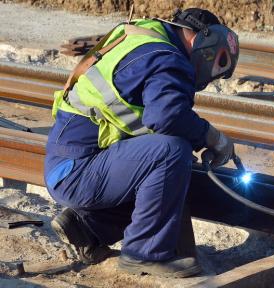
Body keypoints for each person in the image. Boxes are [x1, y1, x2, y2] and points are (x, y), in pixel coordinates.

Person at [44, 8, 239, 278]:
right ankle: (143, 254)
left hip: (67, 163)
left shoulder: (142, 38)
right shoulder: (169, 58)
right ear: (199, 40)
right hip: (77, 172)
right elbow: (167, 116)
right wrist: (212, 137)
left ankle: (88, 228)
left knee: (163, 164)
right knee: (172, 152)